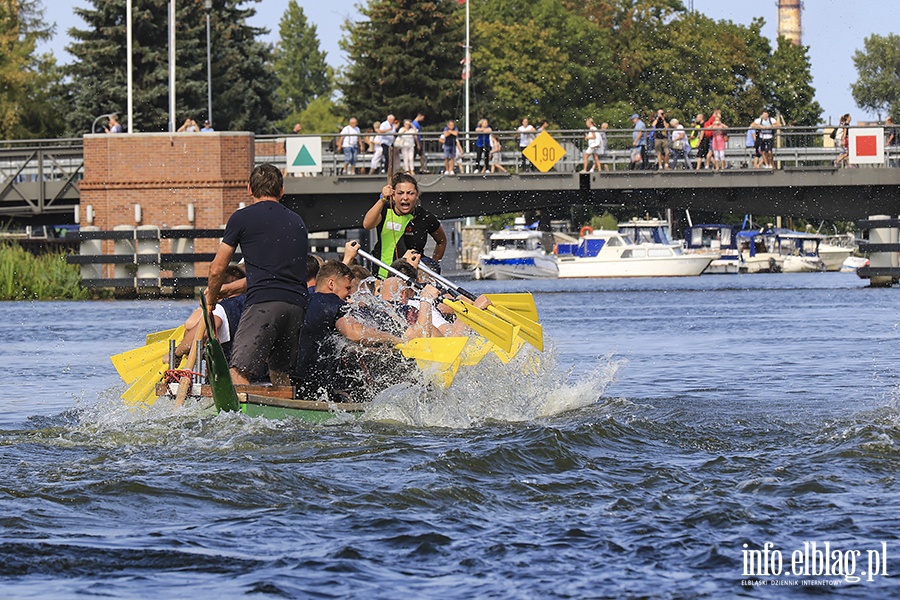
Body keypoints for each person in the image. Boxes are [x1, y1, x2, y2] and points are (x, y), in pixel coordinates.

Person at [205, 163, 309, 387]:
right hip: (297, 305)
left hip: (263, 304)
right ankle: (285, 416)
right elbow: (278, 274)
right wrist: (229, 289)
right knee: (280, 374)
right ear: (281, 191)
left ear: (249, 189)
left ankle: (238, 421)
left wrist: (211, 299)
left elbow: (216, 268)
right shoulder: (298, 222)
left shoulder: (241, 218)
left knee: (239, 371)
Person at [294, 260, 404, 400]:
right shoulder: (332, 303)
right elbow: (356, 333)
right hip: (316, 388)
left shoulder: (302, 301)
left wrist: (384, 350)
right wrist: (395, 339)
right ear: (331, 284)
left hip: (293, 382)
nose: (350, 294)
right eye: (347, 288)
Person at [363, 172, 447, 276]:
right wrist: (382, 199)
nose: (405, 197)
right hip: (381, 277)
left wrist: (434, 266)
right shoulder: (384, 211)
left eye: (410, 193)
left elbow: (442, 241)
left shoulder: (425, 217)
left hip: (412, 280)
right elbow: (367, 225)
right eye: (400, 193)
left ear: (417, 195)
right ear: (393, 196)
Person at [175, 265, 246, 362]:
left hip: (230, 370)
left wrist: (177, 353)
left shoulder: (221, 308)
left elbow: (203, 332)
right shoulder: (255, 303)